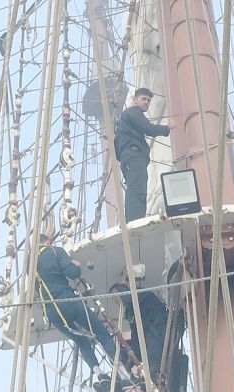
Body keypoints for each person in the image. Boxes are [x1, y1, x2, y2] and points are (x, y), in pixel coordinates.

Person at [36, 232, 119, 371]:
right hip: (68, 301)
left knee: (80, 341)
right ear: (49, 241)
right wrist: (75, 264)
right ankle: (123, 373)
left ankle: (99, 375)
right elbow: (73, 273)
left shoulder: (31, 266)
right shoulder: (55, 251)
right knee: (101, 333)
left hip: (52, 313)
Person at [109, 279, 188, 392]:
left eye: (114, 297)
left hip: (157, 334)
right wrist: (129, 350)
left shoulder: (140, 298)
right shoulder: (131, 309)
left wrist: (123, 291)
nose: (115, 301)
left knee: (151, 372)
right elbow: (136, 334)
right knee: (123, 350)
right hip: (148, 338)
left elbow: (143, 323)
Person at [114, 87, 172, 222]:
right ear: (135, 100)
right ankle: (134, 220)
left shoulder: (127, 118)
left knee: (137, 187)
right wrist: (167, 128)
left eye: (149, 100)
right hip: (134, 156)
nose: (146, 102)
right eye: (143, 99)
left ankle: (135, 218)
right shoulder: (133, 112)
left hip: (131, 157)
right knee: (137, 189)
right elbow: (149, 129)